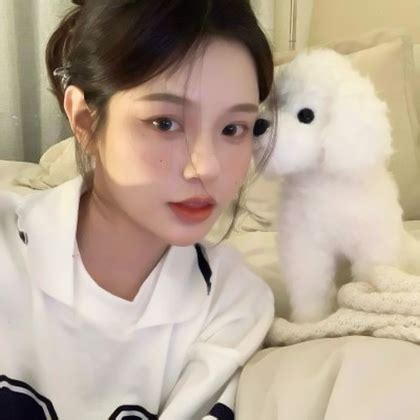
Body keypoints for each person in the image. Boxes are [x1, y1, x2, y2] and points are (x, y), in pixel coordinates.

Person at [0, 0, 276, 418]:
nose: (207, 167)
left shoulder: (233, 303)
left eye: (233, 128)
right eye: (165, 123)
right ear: (85, 121)